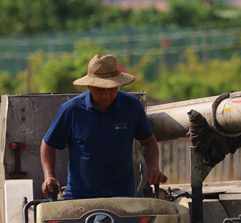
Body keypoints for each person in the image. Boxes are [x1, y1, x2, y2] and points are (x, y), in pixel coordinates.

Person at [40, 54, 168, 199]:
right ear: (89, 86)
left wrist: (153, 168)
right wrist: (49, 176)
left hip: (122, 195)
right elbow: (48, 144)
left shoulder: (132, 107)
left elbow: (148, 141)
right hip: (79, 196)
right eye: (100, 89)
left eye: (112, 88)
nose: (106, 95)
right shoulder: (71, 110)